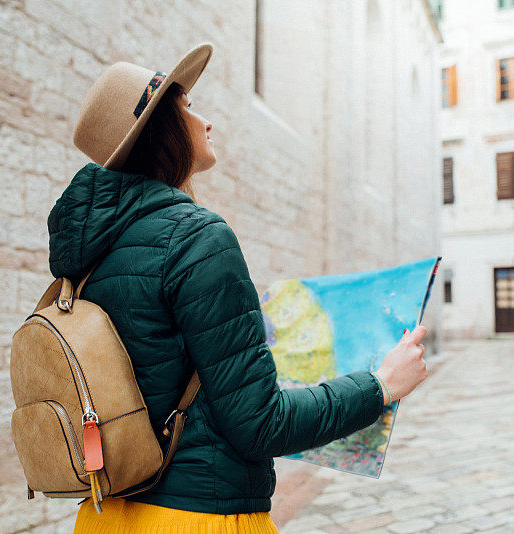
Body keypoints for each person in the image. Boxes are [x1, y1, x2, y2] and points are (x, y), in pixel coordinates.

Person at [56, 43, 429, 534]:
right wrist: (381, 385)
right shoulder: (198, 238)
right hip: (199, 519)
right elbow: (260, 424)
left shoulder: (87, 254)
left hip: (107, 518)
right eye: (187, 107)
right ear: (161, 129)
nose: (205, 121)